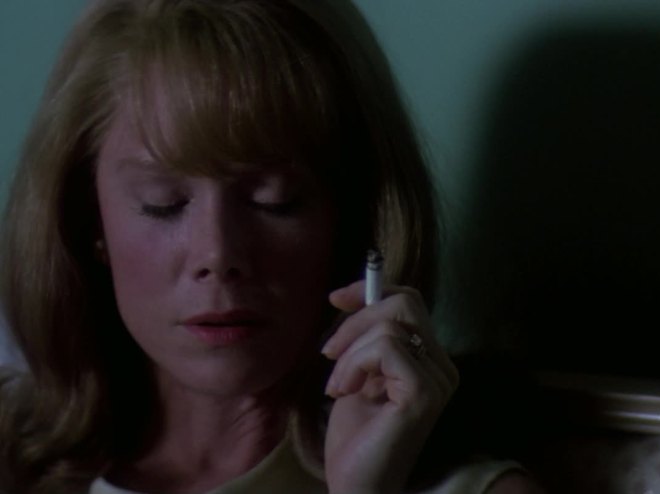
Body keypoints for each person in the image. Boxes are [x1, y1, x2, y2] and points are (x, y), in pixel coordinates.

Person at [0, 0, 541, 493]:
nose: (218, 255)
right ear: (89, 220)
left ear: (353, 217)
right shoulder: (17, 459)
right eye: (163, 203)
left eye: (275, 201)